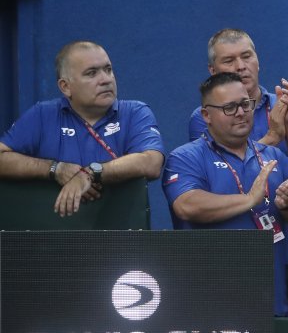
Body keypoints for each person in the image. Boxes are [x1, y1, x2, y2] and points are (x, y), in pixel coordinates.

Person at [189, 29, 288, 317]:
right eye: (229, 60)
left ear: (258, 61)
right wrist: (275, 135)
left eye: (247, 56)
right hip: (242, 261)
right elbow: (227, 180)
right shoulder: (204, 116)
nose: (240, 66)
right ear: (213, 71)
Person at [163, 72, 288, 316]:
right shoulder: (185, 157)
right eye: (229, 107)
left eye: (245, 104)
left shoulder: (273, 156)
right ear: (206, 115)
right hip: (208, 308)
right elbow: (186, 205)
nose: (241, 112)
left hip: (270, 304)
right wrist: (249, 200)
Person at [0, 40, 165, 217]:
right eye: (91, 73)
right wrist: (56, 169)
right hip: (56, 231)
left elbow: (151, 162)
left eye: (108, 69)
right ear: (66, 87)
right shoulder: (42, 114)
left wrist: (89, 173)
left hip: (123, 232)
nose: (106, 79)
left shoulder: (134, 112)